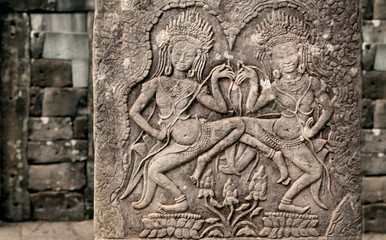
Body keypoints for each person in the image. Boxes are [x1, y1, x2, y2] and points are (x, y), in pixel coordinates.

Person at [120, 10, 245, 213]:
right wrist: (156, 133)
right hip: (176, 143)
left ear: (197, 57)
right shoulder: (156, 84)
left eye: (189, 55)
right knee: (153, 169)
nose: (182, 59)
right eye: (178, 53)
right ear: (169, 54)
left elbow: (221, 109)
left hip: (200, 136)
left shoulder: (192, 86)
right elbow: (135, 112)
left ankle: (208, 157)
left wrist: (214, 81)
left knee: (239, 123)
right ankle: (181, 200)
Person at [234, 10, 334, 214]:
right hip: (277, 133)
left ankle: (285, 201)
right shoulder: (276, 88)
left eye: (290, 54)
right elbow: (251, 109)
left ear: (299, 52)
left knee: (315, 171)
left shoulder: (311, 82)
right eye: (280, 57)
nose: (287, 60)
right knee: (237, 126)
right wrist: (254, 82)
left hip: (297, 138)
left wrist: (313, 131)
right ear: (273, 61)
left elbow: (328, 109)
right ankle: (274, 156)